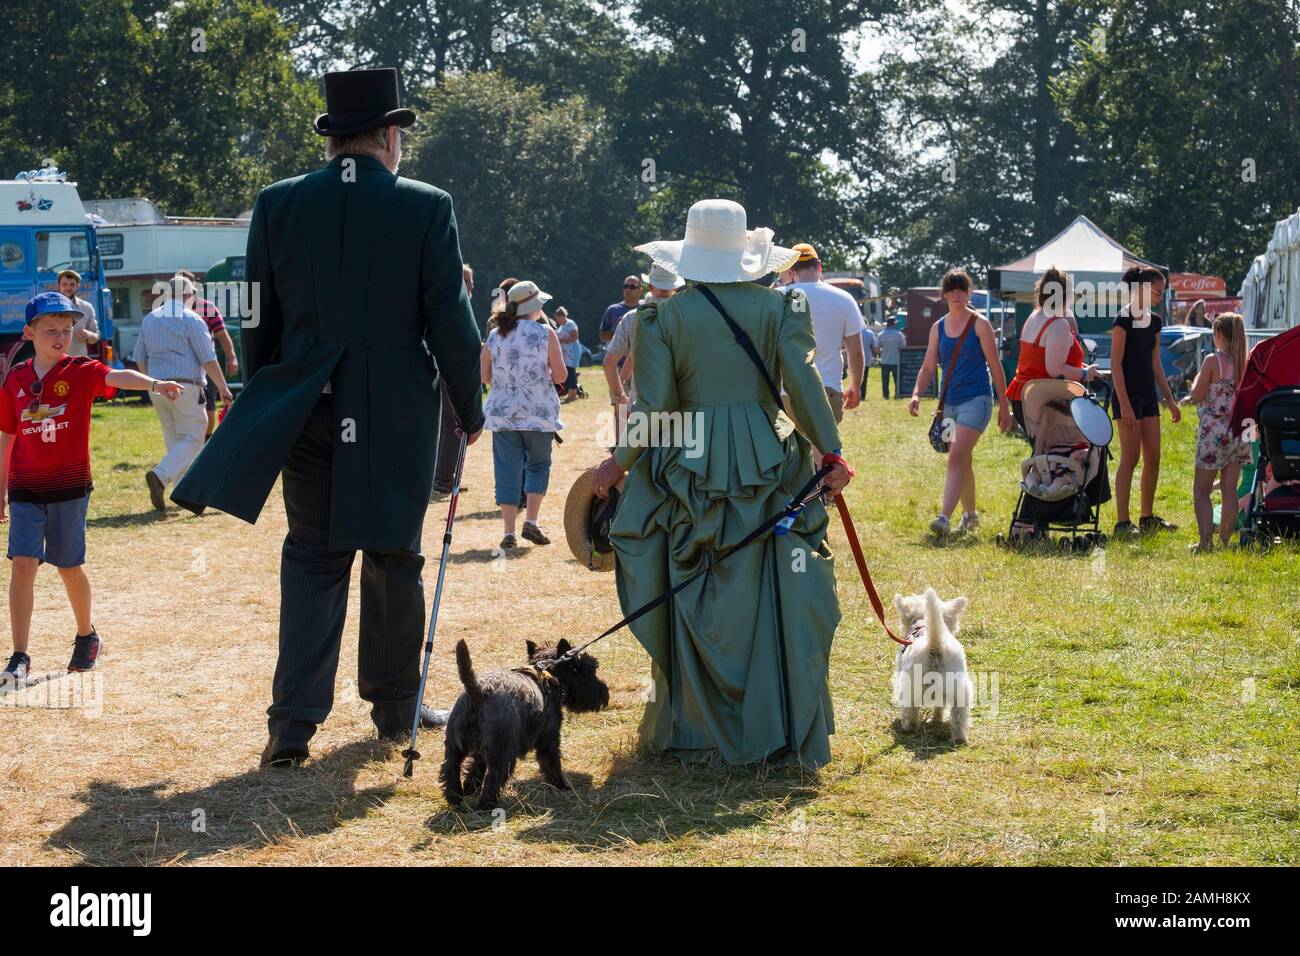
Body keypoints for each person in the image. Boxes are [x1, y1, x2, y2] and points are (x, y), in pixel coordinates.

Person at [171, 68, 486, 767]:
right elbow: (451, 319)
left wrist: (270, 393)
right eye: (399, 132)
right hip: (397, 412)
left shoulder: (278, 203)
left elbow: (256, 315)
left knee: (312, 557)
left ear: (335, 138)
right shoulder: (427, 205)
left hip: (307, 403)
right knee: (394, 558)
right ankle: (396, 708)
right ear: (387, 134)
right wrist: (470, 406)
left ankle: (292, 726)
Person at [590, 198, 853, 770]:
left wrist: (618, 462)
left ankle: (695, 730)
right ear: (745, 254)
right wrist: (830, 449)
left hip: (688, 462)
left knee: (692, 588)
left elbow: (656, 406)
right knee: (774, 583)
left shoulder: (663, 319)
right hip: (767, 456)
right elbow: (802, 384)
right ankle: (775, 726)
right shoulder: (782, 306)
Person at [0, 293, 185, 688]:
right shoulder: (16, 379)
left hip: (69, 487)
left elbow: (117, 376)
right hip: (25, 487)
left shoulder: (81, 370)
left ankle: (86, 635)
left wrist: (155, 383)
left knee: (68, 567)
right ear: (29, 332)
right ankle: (19, 656)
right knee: (23, 564)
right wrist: (1, 489)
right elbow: (6, 436)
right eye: (50, 330)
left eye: (66, 330)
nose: (60, 337)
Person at [909, 268, 1012, 535]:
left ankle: (944, 517)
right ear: (944, 295)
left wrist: (1005, 406)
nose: (956, 295)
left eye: (961, 290)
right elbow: (928, 366)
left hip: (977, 400)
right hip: (949, 405)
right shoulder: (938, 327)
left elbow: (995, 366)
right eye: (951, 290)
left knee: (956, 456)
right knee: (962, 459)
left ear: (968, 294)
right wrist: (916, 393)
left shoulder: (980, 324)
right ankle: (970, 516)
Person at [132, 274, 234, 511]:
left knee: (175, 439)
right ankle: (160, 476)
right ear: (189, 296)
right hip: (186, 385)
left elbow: (139, 358)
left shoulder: (149, 319)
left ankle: (184, 492)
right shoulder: (193, 319)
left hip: (157, 386)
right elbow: (208, 358)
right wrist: (222, 386)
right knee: (195, 436)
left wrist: (150, 384)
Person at [481, 280, 566, 550]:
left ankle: (508, 531)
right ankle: (531, 520)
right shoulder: (545, 333)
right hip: (538, 413)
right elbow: (562, 375)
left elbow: (484, 375)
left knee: (507, 470)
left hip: (503, 415)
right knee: (538, 466)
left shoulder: (495, 335)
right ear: (535, 305)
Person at [1110, 265, 1181, 536]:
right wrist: (1125, 404)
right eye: (1157, 290)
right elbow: (1115, 365)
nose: (1161, 295)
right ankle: (1122, 522)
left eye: (1163, 291)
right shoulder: (1123, 320)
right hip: (1126, 397)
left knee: (1154, 458)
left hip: (1148, 397)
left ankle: (1147, 517)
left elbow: (1156, 364)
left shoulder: (1154, 321)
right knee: (1130, 458)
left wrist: (1170, 400)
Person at [1181, 312, 1250, 550]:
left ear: (1218, 333)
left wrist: (1190, 392)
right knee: (1230, 489)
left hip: (1214, 431)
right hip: (1239, 430)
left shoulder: (1213, 361)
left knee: (1201, 490)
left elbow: (1199, 395)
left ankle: (1205, 543)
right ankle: (1224, 541)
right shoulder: (1245, 362)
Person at [1006, 266, 1102, 432]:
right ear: (1067, 295)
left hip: (1024, 397)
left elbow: (1047, 361)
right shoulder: (1057, 324)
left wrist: (1086, 369)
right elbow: (1055, 369)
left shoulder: (1035, 315)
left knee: (1045, 453)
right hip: (1044, 401)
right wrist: (1086, 374)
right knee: (1061, 455)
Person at [782, 242, 863, 424]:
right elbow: (855, 351)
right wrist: (856, 386)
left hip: (787, 388)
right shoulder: (844, 299)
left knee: (792, 450)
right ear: (819, 266)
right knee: (825, 449)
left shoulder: (777, 297)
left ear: (791, 270)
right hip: (828, 386)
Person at [604, 264, 683, 407]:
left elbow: (609, 363)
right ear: (675, 288)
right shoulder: (689, 318)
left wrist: (620, 394)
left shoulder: (631, 318)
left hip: (642, 406)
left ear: (650, 287)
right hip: (683, 407)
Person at [176, 269, 240, 439]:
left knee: (209, 406)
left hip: (206, 364)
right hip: (179, 365)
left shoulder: (207, 308)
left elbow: (222, 334)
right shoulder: (166, 310)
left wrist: (232, 357)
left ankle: (206, 441)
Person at [432, 263, 477, 496]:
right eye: (468, 281)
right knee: (453, 425)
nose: (472, 285)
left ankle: (446, 477)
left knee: (449, 425)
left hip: (452, 370)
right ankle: (443, 480)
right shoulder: (453, 305)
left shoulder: (458, 304)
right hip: (448, 371)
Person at [55, 270, 99, 359]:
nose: (68, 288)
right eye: (64, 284)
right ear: (58, 286)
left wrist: (89, 335)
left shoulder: (87, 308)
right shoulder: (49, 308)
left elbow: (96, 336)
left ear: (78, 286)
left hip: (79, 364)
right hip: (55, 363)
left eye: (72, 285)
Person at [599, 275, 642, 346]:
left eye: (632, 287)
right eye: (625, 286)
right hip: (616, 357)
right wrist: (617, 328)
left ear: (640, 291)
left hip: (639, 356)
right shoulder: (612, 310)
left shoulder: (645, 311)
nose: (628, 289)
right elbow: (602, 337)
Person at [554, 306, 582, 402]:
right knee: (568, 372)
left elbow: (574, 337)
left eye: (557, 318)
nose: (557, 320)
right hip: (566, 354)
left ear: (562, 316)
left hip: (572, 352)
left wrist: (562, 340)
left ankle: (573, 394)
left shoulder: (570, 324)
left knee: (571, 372)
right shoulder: (561, 326)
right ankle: (570, 393)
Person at [877, 316, 905, 399]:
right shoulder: (899, 334)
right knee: (897, 380)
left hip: (884, 360)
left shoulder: (881, 335)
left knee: (885, 381)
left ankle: (886, 396)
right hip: (896, 360)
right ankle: (897, 394)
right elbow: (903, 346)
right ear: (893, 324)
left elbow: (877, 348)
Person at [859, 324, 878, 397]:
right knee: (864, 377)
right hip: (866, 359)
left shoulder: (854, 331)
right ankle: (863, 395)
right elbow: (874, 347)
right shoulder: (870, 333)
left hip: (854, 361)